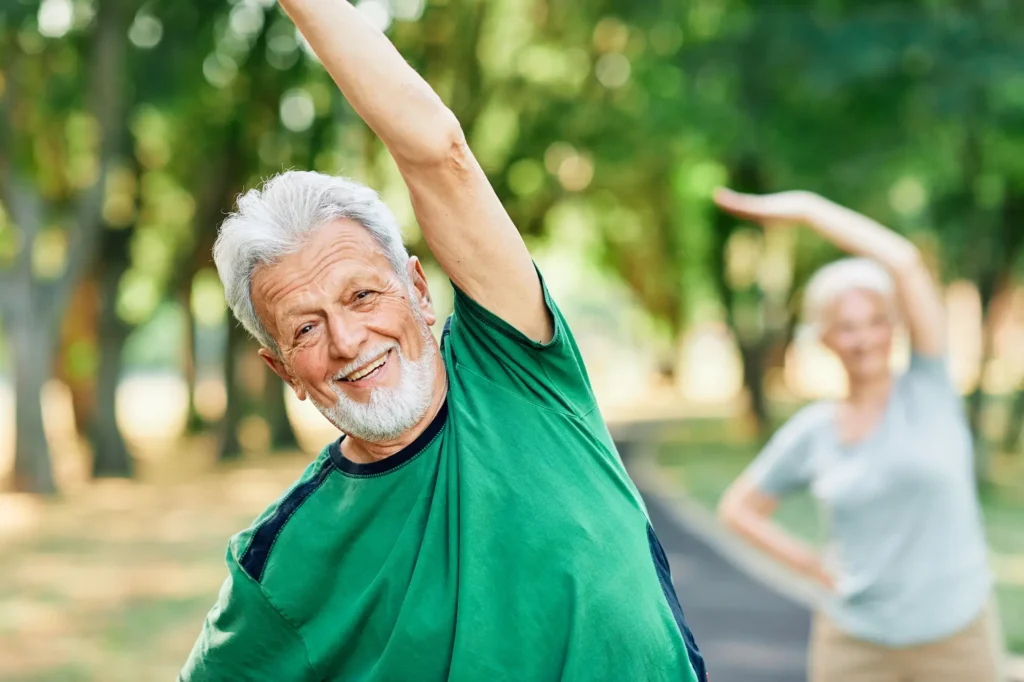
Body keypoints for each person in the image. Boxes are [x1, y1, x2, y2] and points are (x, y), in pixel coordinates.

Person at [178, 1, 707, 680]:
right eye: (306, 328)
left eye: (363, 295)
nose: (347, 339)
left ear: (420, 292)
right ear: (284, 372)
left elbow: (438, 152)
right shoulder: (278, 568)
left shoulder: (515, 367)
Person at [714, 188, 1002, 682]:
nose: (864, 339)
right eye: (846, 327)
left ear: (894, 327)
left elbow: (905, 263)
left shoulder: (930, 389)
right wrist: (810, 564)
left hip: (957, 636)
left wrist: (807, 210)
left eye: (875, 322)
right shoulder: (814, 430)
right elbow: (738, 510)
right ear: (824, 338)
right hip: (854, 642)